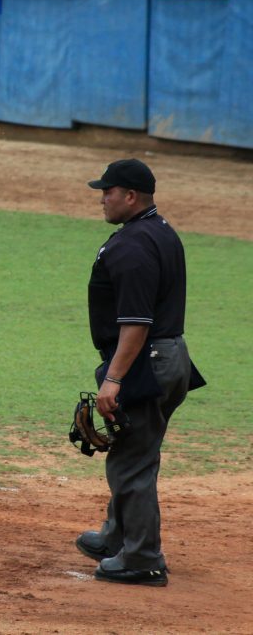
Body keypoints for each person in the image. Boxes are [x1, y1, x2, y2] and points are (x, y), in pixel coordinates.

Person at [76, 158, 205, 586]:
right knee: (136, 449)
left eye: (107, 192)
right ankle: (118, 536)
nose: (102, 199)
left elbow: (136, 322)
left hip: (146, 360)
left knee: (132, 460)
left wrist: (113, 378)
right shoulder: (159, 230)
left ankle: (143, 559)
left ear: (130, 196)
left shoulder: (131, 247)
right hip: (170, 357)